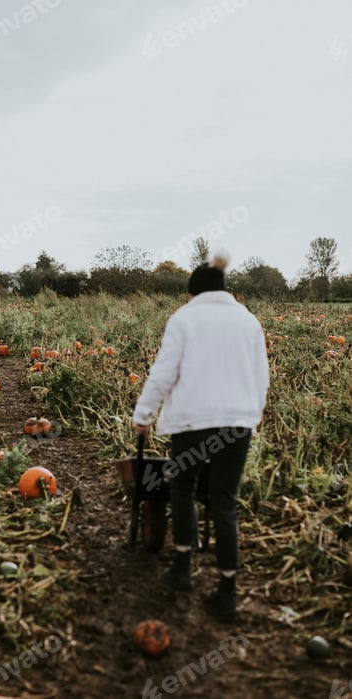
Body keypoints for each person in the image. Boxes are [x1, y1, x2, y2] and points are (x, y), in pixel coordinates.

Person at [132, 253, 269, 622]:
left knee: (183, 487)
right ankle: (227, 591)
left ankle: (182, 568)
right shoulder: (248, 321)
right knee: (224, 502)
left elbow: (163, 373)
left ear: (193, 293)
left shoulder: (184, 319)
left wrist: (143, 415)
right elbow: (261, 378)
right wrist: (250, 418)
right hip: (237, 424)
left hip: (193, 422)